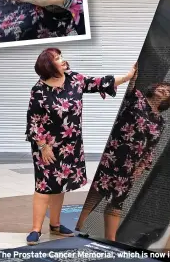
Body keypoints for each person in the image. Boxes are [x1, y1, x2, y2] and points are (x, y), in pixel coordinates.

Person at [25, 47, 136, 245]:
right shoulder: (39, 90)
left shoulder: (74, 80)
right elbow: (33, 121)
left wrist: (128, 76)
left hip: (70, 146)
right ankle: (35, 229)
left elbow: (100, 83)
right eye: (58, 59)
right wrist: (43, 146)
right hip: (47, 148)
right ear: (49, 66)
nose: (63, 60)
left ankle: (56, 225)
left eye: (61, 57)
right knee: (43, 187)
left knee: (60, 186)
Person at [76, 65, 170, 241]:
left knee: (117, 202)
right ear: (154, 88)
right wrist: (132, 73)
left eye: (168, 91)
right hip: (113, 156)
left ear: (169, 99)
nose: (164, 90)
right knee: (96, 193)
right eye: (162, 87)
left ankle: (111, 239)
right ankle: (79, 226)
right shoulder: (137, 98)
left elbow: (151, 148)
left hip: (130, 166)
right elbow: (130, 86)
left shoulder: (160, 122)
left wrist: (141, 168)